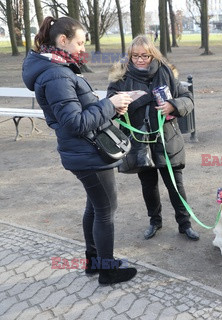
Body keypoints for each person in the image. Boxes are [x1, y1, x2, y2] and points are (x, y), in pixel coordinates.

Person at [22, 16, 137, 285]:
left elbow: (80, 112)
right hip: (88, 153)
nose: (83, 49)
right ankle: (107, 271)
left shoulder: (59, 68)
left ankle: (94, 262)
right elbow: (75, 123)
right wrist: (109, 103)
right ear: (63, 40)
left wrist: (112, 108)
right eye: (80, 42)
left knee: (95, 207)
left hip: (86, 150)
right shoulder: (56, 74)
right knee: (106, 210)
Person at [107, 35, 199, 241]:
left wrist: (173, 105)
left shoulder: (166, 72)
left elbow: (188, 99)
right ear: (129, 56)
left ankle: (185, 225)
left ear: (152, 55)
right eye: (135, 56)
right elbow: (109, 105)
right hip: (140, 143)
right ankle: (154, 221)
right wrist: (117, 106)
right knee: (148, 186)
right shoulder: (120, 78)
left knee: (176, 186)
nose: (140, 60)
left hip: (168, 140)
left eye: (145, 56)